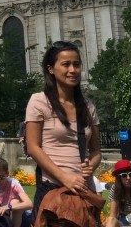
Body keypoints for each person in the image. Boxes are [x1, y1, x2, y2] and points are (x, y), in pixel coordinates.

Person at [24, 40, 101, 214]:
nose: (72, 70)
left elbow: (96, 151)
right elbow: (33, 147)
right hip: (53, 189)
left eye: (76, 64)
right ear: (51, 69)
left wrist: (92, 166)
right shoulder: (39, 101)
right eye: (65, 64)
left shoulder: (88, 106)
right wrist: (64, 177)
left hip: (83, 190)